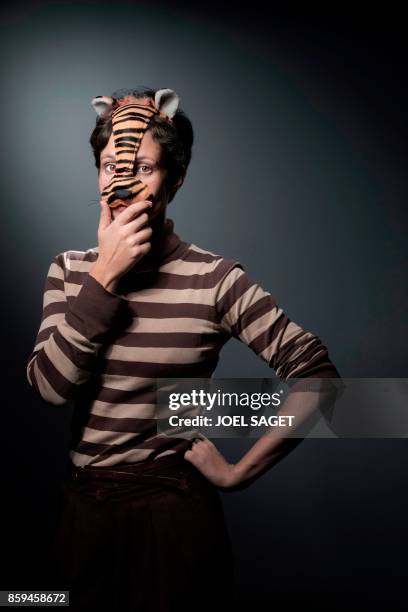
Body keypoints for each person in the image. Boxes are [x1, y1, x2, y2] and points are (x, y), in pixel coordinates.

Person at [26, 87, 341, 611]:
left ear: (176, 177)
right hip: (84, 514)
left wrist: (238, 473)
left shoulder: (215, 279)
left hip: (174, 522)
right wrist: (103, 278)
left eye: (144, 168)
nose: (122, 182)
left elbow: (321, 379)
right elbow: (51, 389)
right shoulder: (69, 270)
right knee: (30, 601)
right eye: (109, 166)